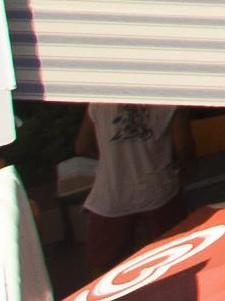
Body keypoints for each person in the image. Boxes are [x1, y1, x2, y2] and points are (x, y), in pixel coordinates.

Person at [73, 101, 186, 277]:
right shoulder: (168, 100)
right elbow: (185, 148)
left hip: (112, 193)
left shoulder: (99, 102)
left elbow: (82, 145)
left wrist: (112, 161)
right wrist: (186, 171)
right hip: (158, 188)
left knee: (103, 270)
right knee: (177, 258)